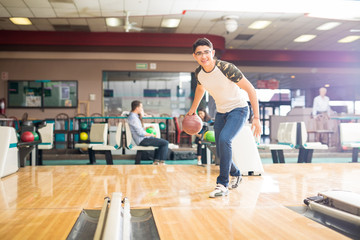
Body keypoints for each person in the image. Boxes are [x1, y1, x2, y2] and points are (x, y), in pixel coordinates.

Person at [188, 38, 261, 198]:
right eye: (199, 53)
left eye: (206, 52)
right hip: (221, 113)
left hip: (239, 110)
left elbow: (250, 89)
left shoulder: (226, 68)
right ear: (195, 56)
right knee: (220, 151)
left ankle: (222, 184)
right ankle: (236, 173)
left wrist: (256, 117)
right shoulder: (199, 73)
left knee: (224, 140)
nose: (203, 56)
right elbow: (200, 89)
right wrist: (193, 109)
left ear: (212, 53)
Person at [127, 100, 169, 165]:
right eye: (141, 107)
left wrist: (146, 128)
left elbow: (137, 129)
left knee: (160, 142)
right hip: (142, 140)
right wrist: (151, 134)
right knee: (165, 143)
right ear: (137, 108)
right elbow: (140, 133)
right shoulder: (133, 118)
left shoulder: (133, 117)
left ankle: (156, 161)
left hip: (142, 139)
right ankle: (162, 162)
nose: (142, 109)